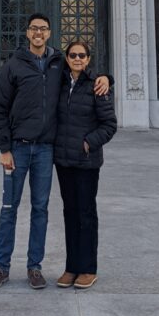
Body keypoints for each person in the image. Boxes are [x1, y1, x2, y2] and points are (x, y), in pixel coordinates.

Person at [0, 14, 110, 290]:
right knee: (9, 208)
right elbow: (0, 107)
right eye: (33, 29)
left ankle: (34, 267)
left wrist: (105, 77)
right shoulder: (14, 65)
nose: (38, 33)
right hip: (17, 149)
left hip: (45, 151)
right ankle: (1, 267)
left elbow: (85, 76)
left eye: (43, 29)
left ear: (50, 33)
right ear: (27, 33)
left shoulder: (57, 65)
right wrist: (4, 148)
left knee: (40, 209)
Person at [53, 38, 117, 289]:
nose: (77, 59)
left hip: (87, 162)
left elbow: (109, 125)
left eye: (82, 55)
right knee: (70, 213)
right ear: (66, 59)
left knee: (86, 213)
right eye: (73, 55)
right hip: (63, 161)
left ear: (89, 59)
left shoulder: (97, 86)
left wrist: (88, 143)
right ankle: (71, 267)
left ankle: (88, 268)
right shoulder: (59, 84)